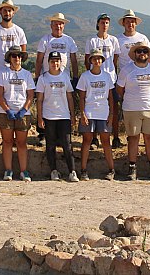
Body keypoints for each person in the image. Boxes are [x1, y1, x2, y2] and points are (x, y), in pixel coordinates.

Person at [117, 42, 150, 181]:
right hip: (131, 108)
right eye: (139, 51)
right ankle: (132, 168)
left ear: (148, 54)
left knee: (149, 138)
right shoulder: (126, 70)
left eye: (145, 51)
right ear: (134, 54)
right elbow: (120, 89)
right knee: (133, 138)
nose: (142, 53)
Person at [0, 0, 28, 146]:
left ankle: (15, 134)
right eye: (4, 10)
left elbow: (23, 51)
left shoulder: (19, 31)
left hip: (15, 72)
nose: (7, 12)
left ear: (13, 12)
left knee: (16, 101)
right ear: (0, 12)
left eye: (10, 10)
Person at [34, 12, 78, 147]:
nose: (58, 26)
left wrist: (75, 77)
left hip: (64, 78)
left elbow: (74, 60)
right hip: (46, 78)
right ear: (51, 25)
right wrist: (37, 77)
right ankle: (42, 134)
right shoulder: (45, 40)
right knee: (43, 103)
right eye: (55, 23)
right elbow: (39, 59)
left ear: (63, 25)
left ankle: (60, 135)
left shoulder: (69, 40)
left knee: (62, 104)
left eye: (60, 23)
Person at [36, 51, 79, 182]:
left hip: (64, 116)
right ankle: (53, 171)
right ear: (48, 63)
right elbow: (39, 99)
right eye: (52, 61)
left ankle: (72, 171)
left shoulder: (65, 77)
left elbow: (70, 97)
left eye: (57, 61)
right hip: (49, 116)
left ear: (61, 62)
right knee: (50, 145)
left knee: (67, 144)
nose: (55, 63)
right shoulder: (43, 78)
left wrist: (72, 115)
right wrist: (39, 117)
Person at [116, 9, 150, 148]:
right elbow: (115, 60)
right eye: (128, 22)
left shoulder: (143, 38)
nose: (130, 24)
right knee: (124, 109)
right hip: (126, 78)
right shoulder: (118, 39)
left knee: (148, 109)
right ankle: (120, 137)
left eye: (132, 21)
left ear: (135, 23)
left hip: (144, 77)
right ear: (124, 24)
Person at [0, 45, 35, 182]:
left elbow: (30, 95)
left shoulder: (27, 74)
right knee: (7, 142)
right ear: (9, 58)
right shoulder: (2, 73)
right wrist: (7, 109)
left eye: (19, 56)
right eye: (14, 56)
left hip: (23, 113)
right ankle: (8, 170)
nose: (17, 58)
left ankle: (24, 171)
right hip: (5, 113)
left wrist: (24, 109)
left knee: (22, 142)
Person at [77, 49, 116, 181]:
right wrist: (82, 114)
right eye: (94, 59)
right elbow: (81, 97)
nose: (97, 61)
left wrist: (111, 115)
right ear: (91, 61)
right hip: (89, 111)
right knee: (87, 141)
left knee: (106, 141)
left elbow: (110, 97)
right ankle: (83, 170)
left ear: (102, 61)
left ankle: (111, 169)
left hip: (103, 112)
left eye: (99, 58)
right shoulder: (85, 76)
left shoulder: (107, 76)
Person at [84, 13, 120, 149]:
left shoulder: (114, 40)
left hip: (111, 79)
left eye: (107, 23)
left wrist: (111, 72)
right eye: (102, 22)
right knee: (94, 107)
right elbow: (87, 59)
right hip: (95, 79)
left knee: (113, 109)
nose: (105, 25)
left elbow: (115, 60)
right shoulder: (92, 40)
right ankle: (94, 138)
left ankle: (115, 137)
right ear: (98, 24)